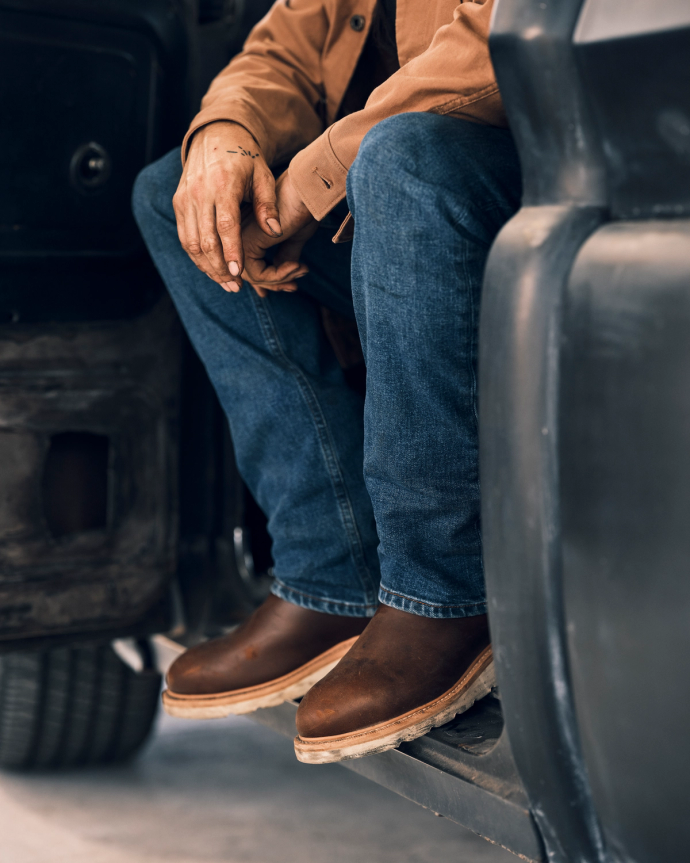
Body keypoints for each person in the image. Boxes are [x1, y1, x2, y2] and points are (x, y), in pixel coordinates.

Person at [133, 0, 521, 764]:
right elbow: (283, 45)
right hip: (391, 194)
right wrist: (224, 138)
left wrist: (315, 181)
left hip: (542, 184)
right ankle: (329, 573)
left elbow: (501, 40)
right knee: (178, 193)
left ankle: (441, 593)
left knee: (403, 162)